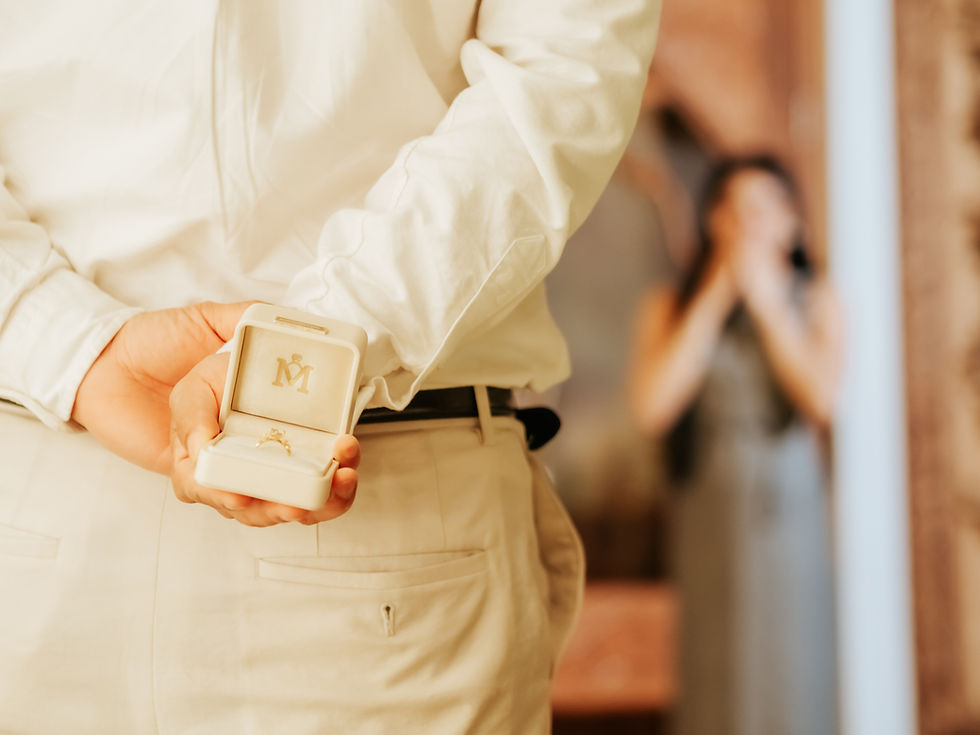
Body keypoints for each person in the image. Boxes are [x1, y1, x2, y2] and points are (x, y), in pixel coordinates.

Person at [0, 3, 661, 733]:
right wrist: (319, 342)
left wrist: (70, 343)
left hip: (36, 508)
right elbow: (561, 76)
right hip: (380, 529)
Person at [628, 156, 843, 735]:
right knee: (714, 662)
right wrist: (718, 295)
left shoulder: (816, 297)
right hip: (708, 505)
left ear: (791, 222)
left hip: (789, 509)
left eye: (764, 206)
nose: (748, 222)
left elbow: (822, 399)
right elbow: (652, 408)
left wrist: (769, 304)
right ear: (712, 220)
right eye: (735, 208)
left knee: (792, 662)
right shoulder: (670, 305)